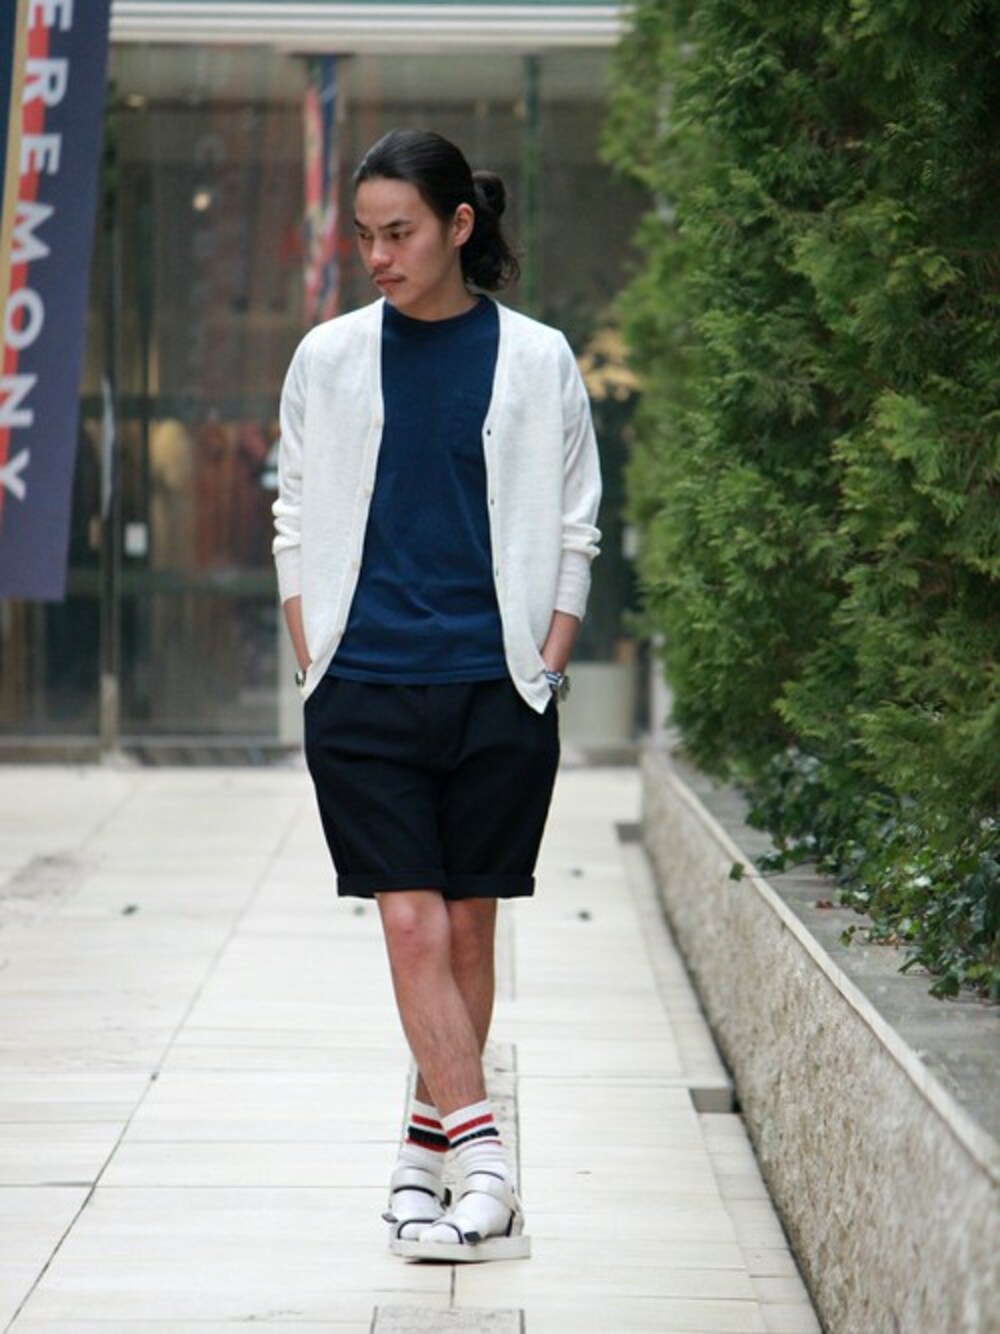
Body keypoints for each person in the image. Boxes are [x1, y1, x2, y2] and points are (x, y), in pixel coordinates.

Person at [272, 128, 601, 1263]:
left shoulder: (538, 359)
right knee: (409, 920)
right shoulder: (326, 359)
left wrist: (547, 660)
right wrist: (312, 651)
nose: (377, 256)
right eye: (364, 235)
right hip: (363, 685)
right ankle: (489, 1164)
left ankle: (420, 1167)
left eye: (398, 232)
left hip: (496, 686)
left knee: (467, 927)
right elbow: (293, 512)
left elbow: (574, 522)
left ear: (460, 226)